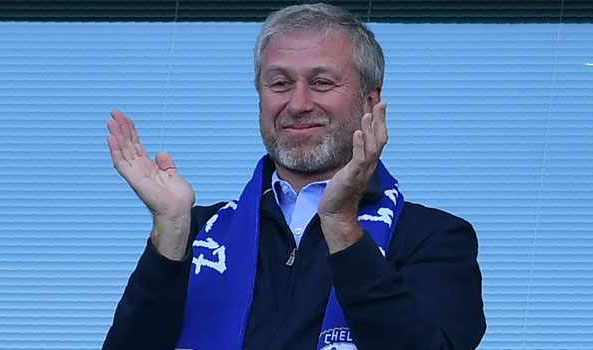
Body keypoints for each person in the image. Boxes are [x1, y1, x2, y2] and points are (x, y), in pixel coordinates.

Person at [102, 3, 486, 350]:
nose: (299, 104)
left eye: (322, 82)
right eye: (280, 83)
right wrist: (171, 232)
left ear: (370, 102)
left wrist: (342, 227)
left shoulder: (433, 238)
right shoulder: (195, 233)